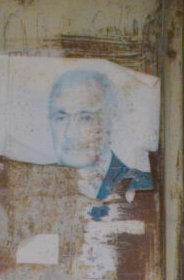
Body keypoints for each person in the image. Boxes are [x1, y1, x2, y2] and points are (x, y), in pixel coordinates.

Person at [48, 67, 152, 205]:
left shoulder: (141, 186)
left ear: (113, 119)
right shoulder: (36, 187)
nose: (70, 134)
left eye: (86, 118)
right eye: (61, 118)